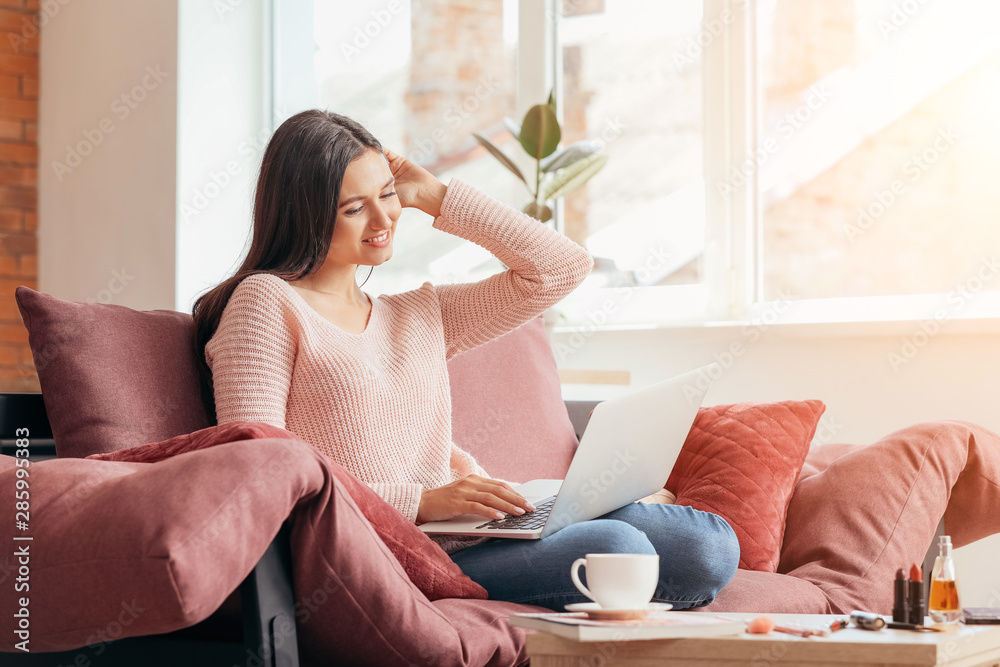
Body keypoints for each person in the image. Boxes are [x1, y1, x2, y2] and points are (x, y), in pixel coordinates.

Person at [193, 109, 739, 612]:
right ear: (303, 213)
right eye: (354, 207)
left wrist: (435, 195)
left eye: (388, 195)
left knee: (706, 542)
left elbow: (561, 268)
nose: (383, 218)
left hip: (473, 528)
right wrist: (421, 503)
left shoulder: (416, 315)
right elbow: (259, 472)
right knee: (619, 547)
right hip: (388, 550)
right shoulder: (265, 303)